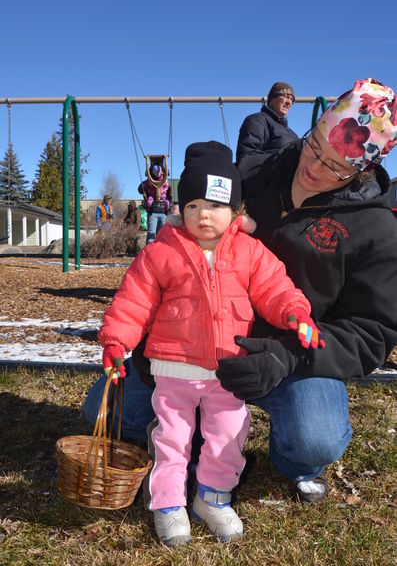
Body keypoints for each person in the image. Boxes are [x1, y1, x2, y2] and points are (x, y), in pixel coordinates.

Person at [85, 78, 397, 510]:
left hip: (290, 353)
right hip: (197, 341)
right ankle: (200, 443)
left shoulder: (377, 230)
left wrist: (288, 354)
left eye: (334, 166)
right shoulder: (259, 170)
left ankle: (292, 463)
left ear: (361, 169)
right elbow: (199, 203)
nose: (313, 166)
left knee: (314, 437)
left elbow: (371, 333)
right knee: (107, 413)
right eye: (315, 145)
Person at [96, 140, 323, 546]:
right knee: (172, 438)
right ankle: (167, 504)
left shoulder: (250, 252)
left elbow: (275, 289)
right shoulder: (160, 252)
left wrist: (296, 315)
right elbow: (133, 301)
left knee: (228, 435)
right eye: (194, 205)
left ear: (235, 212)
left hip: (227, 370)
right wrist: (116, 342)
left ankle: (212, 499)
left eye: (215, 206)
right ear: (181, 209)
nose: (204, 215)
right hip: (173, 369)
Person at [236, 81, 298, 181]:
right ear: (272, 98)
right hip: (267, 187)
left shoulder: (293, 134)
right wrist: (282, 160)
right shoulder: (257, 120)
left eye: (292, 99)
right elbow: (247, 160)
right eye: (286, 96)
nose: (289, 102)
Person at [138, 164, 172, 244]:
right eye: (156, 172)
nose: (158, 174)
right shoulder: (149, 181)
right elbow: (140, 189)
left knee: (162, 236)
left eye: (159, 172)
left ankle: (160, 254)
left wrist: (169, 209)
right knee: (151, 235)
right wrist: (144, 185)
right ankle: (149, 254)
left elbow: (168, 194)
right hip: (153, 212)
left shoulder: (164, 181)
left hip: (163, 212)